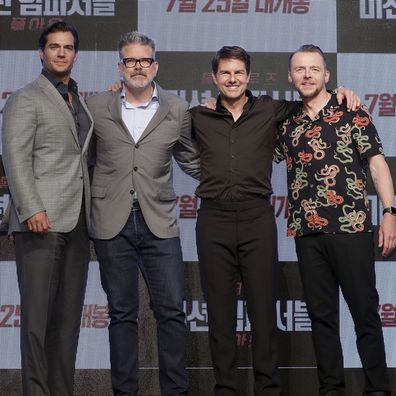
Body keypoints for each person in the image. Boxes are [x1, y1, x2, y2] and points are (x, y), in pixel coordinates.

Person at [190, 46, 358, 396]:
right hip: (213, 220)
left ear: (248, 76)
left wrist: (343, 91)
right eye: (225, 73)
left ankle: (268, 390)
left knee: (264, 312)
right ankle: (226, 389)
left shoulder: (270, 109)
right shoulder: (197, 116)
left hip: (256, 219)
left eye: (238, 72)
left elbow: (315, 100)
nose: (232, 79)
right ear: (215, 78)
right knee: (220, 316)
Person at [275, 44, 395, 396]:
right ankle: (331, 389)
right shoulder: (287, 123)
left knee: (365, 315)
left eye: (314, 69)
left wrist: (389, 213)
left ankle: (378, 389)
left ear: (327, 75)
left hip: (352, 229)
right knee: (321, 318)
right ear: (291, 77)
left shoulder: (351, 111)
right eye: (300, 69)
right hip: (307, 233)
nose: (308, 74)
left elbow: (377, 164)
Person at [86, 31, 200, 396]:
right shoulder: (96, 106)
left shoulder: (177, 108)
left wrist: (236, 166)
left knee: (170, 313)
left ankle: (176, 392)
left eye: (145, 60)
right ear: (120, 66)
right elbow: (82, 162)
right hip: (110, 221)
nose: (138, 66)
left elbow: (191, 159)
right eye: (130, 60)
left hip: (159, 223)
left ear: (156, 66)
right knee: (121, 315)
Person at [1, 21, 93, 395]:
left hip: (77, 222)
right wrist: (31, 209)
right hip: (39, 222)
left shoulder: (79, 99)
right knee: (37, 322)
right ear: (41, 52)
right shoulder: (25, 97)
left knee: (67, 323)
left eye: (67, 47)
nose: (60, 53)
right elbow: (15, 158)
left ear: (76, 54)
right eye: (53, 46)